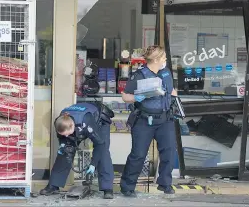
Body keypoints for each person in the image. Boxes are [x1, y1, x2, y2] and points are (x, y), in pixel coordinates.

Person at [120, 45, 178, 197]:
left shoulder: (166, 73)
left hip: (165, 119)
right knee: (138, 154)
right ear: (157, 59)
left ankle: (165, 184)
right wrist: (135, 98)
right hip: (144, 120)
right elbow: (125, 96)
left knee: (169, 152)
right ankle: (127, 186)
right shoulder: (139, 75)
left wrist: (174, 98)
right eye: (164, 57)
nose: (166, 60)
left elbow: (172, 91)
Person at [39, 102, 115, 199]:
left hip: (100, 121)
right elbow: (63, 139)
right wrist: (63, 147)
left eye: (67, 134)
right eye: (64, 135)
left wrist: (93, 164)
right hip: (77, 123)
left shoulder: (86, 122)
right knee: (65, 153)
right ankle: (53, 185)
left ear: (73, 126)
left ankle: (107, 188)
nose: (66, 136)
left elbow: (100, 144)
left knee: (103, 153)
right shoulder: (59, 122)